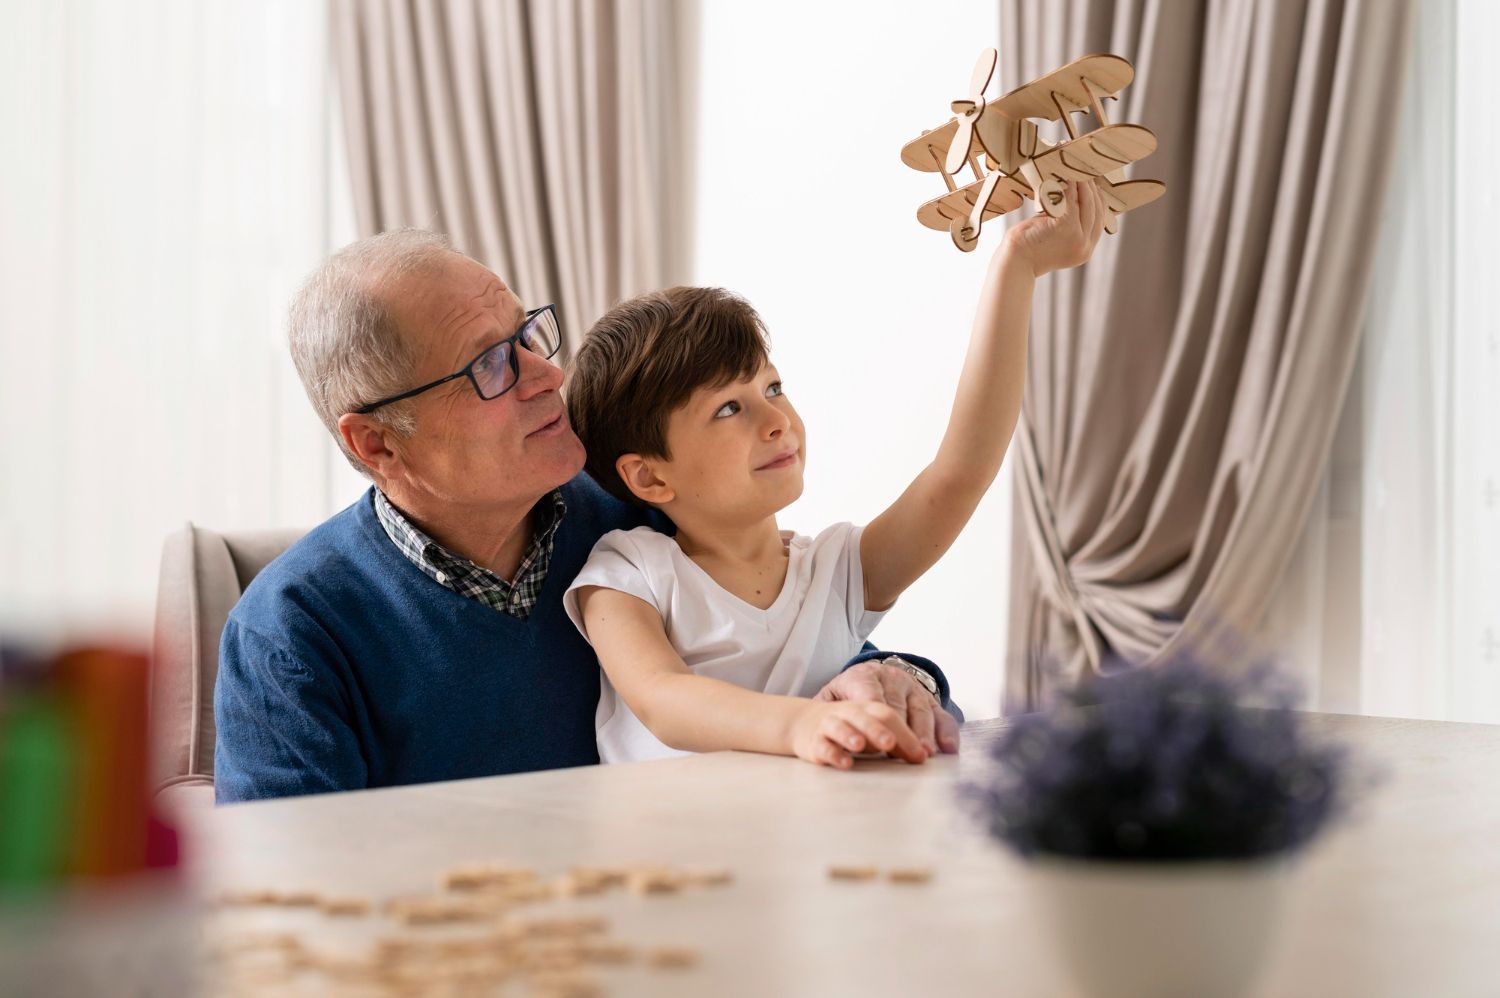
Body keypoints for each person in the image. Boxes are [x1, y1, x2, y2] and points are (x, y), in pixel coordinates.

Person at [213, 230, 955, 803]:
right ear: (378, 442)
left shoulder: (635, 522)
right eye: (490, 366)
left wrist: (895, 677)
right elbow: (285, 902)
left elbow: (798, 649)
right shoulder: (289, 636)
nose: (548, 375)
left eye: (526, 336)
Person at [563, 180, 1107, 768]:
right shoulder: (627, 571)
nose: (776, 420)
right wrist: (803, 723)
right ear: (648, 479)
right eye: (728, 408)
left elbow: (961, 470)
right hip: (667, 854)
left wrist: (1017, 267)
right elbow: (663, 700)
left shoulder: (837, 573)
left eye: (772, 387)